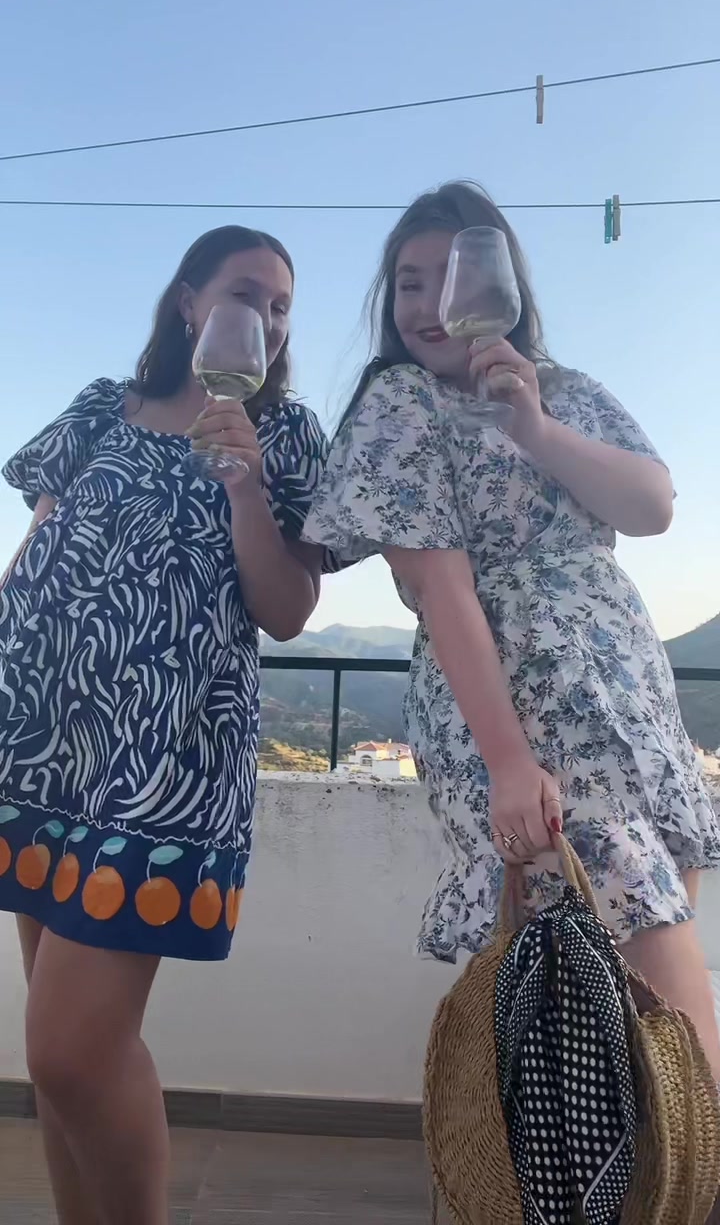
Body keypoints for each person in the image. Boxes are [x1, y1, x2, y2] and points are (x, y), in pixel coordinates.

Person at [302, 180, 720, 1085]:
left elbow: (651, 507)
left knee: (650, 951)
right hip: (514, 700)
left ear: (501, 287)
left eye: (450, 277)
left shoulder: (563, 391)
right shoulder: (400, 402)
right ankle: (686, 1146)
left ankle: (654, 1152)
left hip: (626, 684)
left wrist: (531, 424)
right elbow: (439, 585)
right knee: (626, 941)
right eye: (408, 282)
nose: (427, 304)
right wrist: (507, 761)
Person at [0, 225, 334, 1225]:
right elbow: (37, 551)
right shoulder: (101, 408)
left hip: (163, 765)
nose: (268, 319)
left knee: (74, 1049)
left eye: (281, 306)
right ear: (189, 302)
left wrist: (244, 484)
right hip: (44, 742)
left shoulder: (286, 436)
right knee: (58, 1063)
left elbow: (286, 611)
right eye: (245, 295)